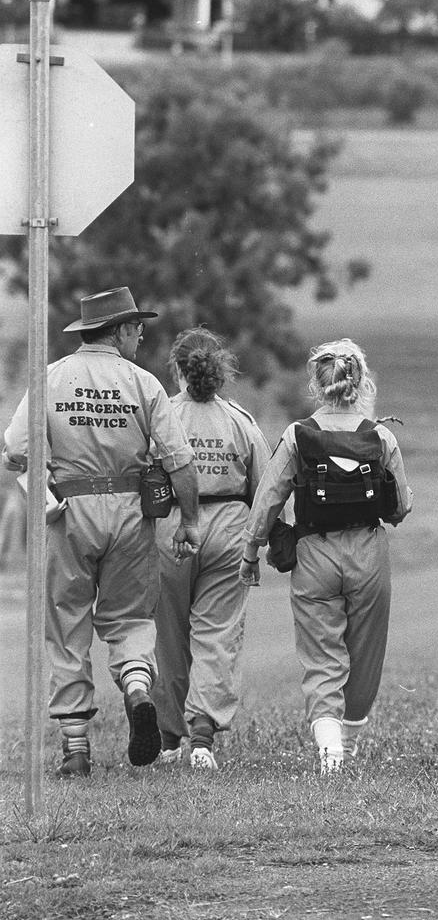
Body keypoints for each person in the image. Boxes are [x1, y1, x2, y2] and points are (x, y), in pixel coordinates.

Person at [3, 287, 199, 778]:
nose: (140, 335)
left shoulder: (48, 378)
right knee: (130, 617)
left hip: (68, 513)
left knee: (66, 622)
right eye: (136, 328)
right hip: (132, 513)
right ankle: (136, 688)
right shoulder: (144, 383)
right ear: (118, 331)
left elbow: (15, 448)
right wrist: (190, 521)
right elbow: (180, 462)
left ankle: (75, 749)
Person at [238, 338, 413, 773]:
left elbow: (268, 499)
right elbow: (401, 507)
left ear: (316, 384)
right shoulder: (382, 436)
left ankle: (330, 749)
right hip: (368, 554)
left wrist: (250, 550)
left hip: (313, 554)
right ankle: (347, 745)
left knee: (321, 655)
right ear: (360, 382)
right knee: (365, 651)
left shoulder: (298, 436)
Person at [152, 328, 272, 770]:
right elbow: (265, 485)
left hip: (170, 530)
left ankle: (168, 737)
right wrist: (260, 541)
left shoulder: (161, 414)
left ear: (178, 369)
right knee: (217, 632)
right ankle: (202, 735)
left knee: (168, 634)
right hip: (228, 528)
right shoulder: (241, 421)